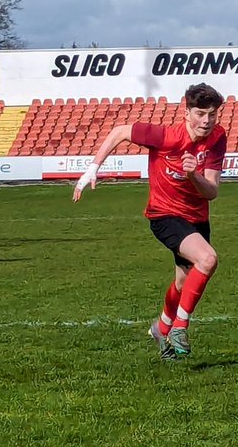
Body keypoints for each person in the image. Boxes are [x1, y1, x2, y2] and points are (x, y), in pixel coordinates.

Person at [73, 83, 228, 361]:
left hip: (197, 217)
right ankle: (180, 328)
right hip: (164, 214)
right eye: (200, 113)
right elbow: (120, 131)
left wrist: (193, 175)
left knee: (183, 281)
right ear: (187, 112)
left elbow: (212, 192)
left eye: (212, 114)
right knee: (207, 259)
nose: (206, 121)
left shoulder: (217, 137)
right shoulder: (166, 137)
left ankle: (161, 328)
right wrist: (93, 169)